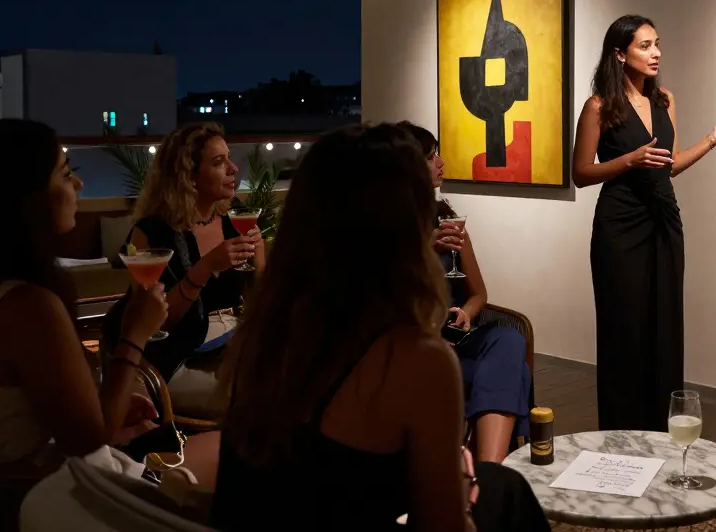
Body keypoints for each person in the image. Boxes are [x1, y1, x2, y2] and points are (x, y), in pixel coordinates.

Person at [210, 123, 546, 531]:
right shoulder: (415, 359)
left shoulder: (263, 341)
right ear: (407, 230)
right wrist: (458, 488)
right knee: (504, 491)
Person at [0, 120, 167, 464]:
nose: (78, 183)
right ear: (24, 197)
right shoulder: (26, 307)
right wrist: (134, 335)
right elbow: (89, 440)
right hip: (44, 507)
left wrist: (101, 405)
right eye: (65, 173)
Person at [572, 15, 716, 432]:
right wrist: (627, 160)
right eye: (644, 46)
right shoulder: (599, 106)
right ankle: (621, 433)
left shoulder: (664, 100)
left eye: (657, 44)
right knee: (624, 331)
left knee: (664, 326)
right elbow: (580, 173)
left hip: (665, 221)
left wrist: (712, 139)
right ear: (620, 54)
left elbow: (667, 167)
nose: (655, 54)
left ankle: (660, 431)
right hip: (620, 226)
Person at [397, 121, 532, 464]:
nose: (440, 163)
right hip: (412, 343)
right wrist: (426, 249)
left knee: (509, 340)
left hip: (456, 337)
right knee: (516, 373)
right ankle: (488, 473)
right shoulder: (386, 227)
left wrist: (468, 313)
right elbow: (385, 294)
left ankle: (485, 470)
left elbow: (479, 293)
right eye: (431, 156)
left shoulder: (448, 221)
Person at [101, 122, 263, 383]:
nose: (233, 169)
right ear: (189, 176)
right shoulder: (152, 231)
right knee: (254, 394)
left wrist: (259, 256)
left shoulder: (233, 219)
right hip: (178, 356)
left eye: (229, 159)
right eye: (219, 162)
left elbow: (260, 298)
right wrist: (206, 266)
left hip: (230, 344)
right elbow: (153, 324)